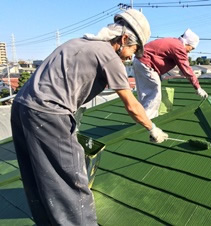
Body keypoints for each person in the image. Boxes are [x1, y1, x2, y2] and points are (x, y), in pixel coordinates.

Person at [10, 9, 168, 226]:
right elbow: (132, 105)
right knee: (72, 181)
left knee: (38, 178)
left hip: (21, 108)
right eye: (133, 49)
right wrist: (152, 128)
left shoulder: (77, 43)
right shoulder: (109, 56)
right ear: (123, 39)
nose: (132, 56)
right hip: (48, 115)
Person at [133, 28, 208, 119]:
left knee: (145, 95)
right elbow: (186, 68)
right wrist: (198, 87)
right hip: (146, 64)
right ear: (188, 43)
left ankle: (142, 118)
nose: (190, 51)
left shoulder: (174, 42)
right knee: (154, 94)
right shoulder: (179, 47)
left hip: (140, 61)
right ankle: (148, 123)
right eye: (191, 48)